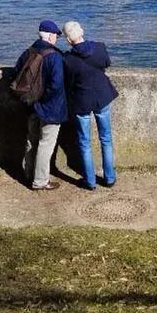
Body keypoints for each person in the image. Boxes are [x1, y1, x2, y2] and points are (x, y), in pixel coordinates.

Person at [61, 20, 119, 190]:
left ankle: (90, 181)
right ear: (82, 31)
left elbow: (69, 81)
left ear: (68, 40)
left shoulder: (68, 59)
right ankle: (109, 178)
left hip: (82, 101)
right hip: (102, 96)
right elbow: (106, 63)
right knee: (106, 138)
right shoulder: (100, 48)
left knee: (84, 142)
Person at [15, 19, 67, 191]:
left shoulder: (28, 52)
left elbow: (17, 73)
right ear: (51, 36)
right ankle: (40, 181)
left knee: (32, 140)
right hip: (50, 108)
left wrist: (33, 98)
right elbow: (57, 85)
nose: (56, 39)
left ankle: (28, 173)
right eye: (56, 36)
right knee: (46, 144)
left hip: (30, 105)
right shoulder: (54, 56)